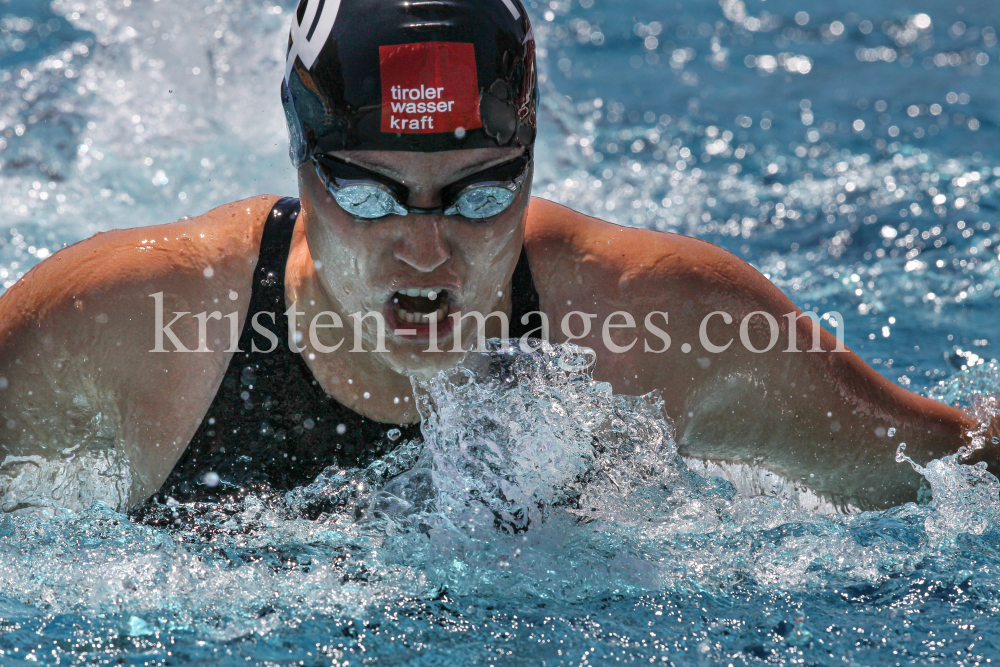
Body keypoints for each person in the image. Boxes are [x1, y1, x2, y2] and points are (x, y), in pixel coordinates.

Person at [0, 0, 995, 514]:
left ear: (530, 164)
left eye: (478, 193)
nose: (425, 250)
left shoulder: (652, 317)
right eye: (365, 193)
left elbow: (950, 465)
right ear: (299, 162)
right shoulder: (126, 321)